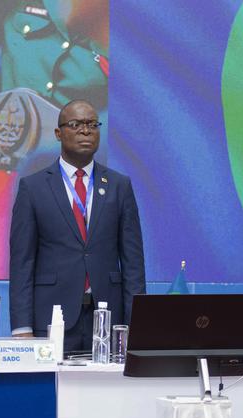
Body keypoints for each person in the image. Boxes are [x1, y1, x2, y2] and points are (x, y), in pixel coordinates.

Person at [9, 99, 145, 351]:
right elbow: (22, 263)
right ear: (58, 133)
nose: (86, 131)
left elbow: (133, 263)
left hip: (107, 319)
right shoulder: (33, 187)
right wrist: (22, 327)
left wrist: (135, 324)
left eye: (92, 124)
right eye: (76, 124)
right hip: (51, 317)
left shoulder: (119, 185)